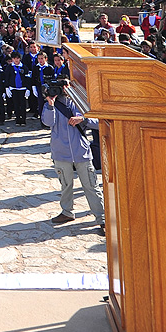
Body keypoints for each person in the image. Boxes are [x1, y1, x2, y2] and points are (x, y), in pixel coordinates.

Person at [41, 79, 104, 232]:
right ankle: (67, 212)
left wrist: (82, 118)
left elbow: (97, 122)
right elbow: (47, 122)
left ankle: (101, 218)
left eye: (64, 87)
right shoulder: (50, 104)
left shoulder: (80, 102)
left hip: (81, 151)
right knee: (66, 185)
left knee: (91, 185)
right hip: (61, 152)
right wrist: (50, 104)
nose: (63, 90)